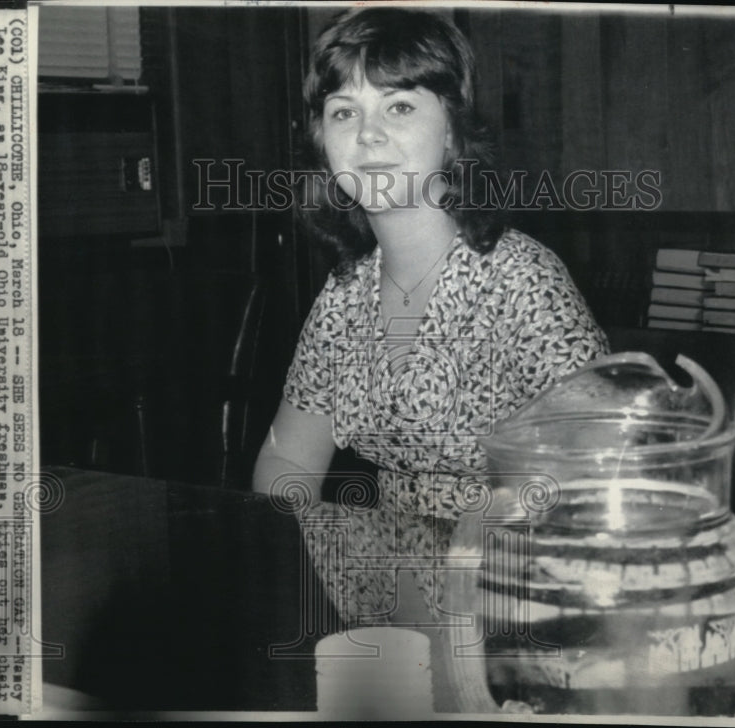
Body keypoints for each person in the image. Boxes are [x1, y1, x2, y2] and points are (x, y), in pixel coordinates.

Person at [252, 7, 608, 629]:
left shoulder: (521, 280)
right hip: (381, 601)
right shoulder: (345, 292)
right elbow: (285, 464)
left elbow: (596, 489)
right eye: (344, 111)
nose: (367, 135)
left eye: (399, 106)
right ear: (321, 140)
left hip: (510, 604)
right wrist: (296, 575)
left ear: (452, 132)